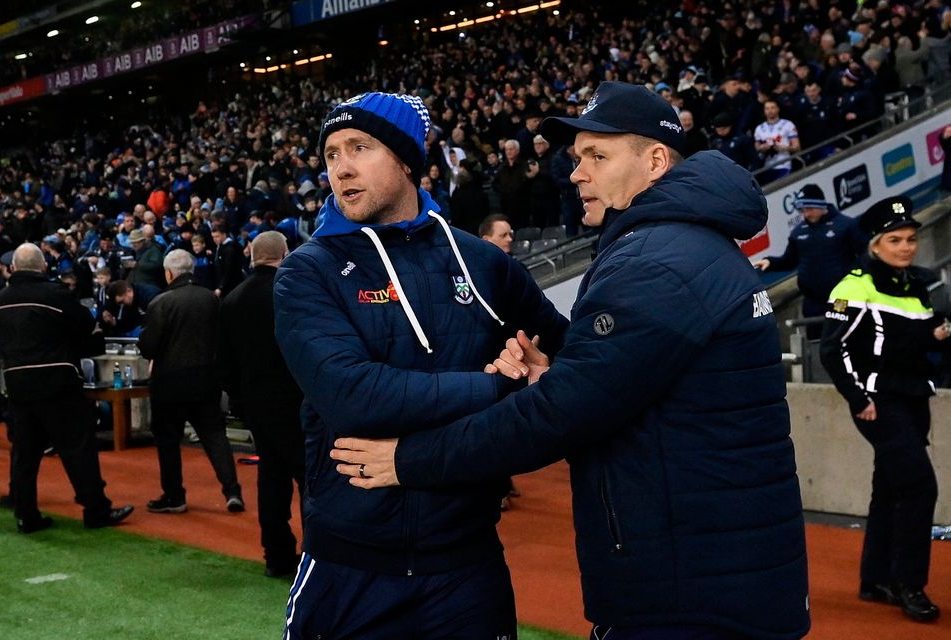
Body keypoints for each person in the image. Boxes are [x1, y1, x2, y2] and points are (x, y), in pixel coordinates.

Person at [330, 82, 811, 640]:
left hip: (688, 591)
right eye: (577, 158)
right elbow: (634, 397)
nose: (576, 174)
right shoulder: (681, 244)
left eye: (597, 157)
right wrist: (563, 378)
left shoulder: (657, 263)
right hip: (714, 569)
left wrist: (408, 460)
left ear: (656, 161)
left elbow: (556, 418)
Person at [273, 91, 568, 640]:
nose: (341, 166)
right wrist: (495, 391)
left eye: (359, 146)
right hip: (349, 566)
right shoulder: (307, 272)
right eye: (332, 153)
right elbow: (351, 396)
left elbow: (564, 351)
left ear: (407, 159)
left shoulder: (481, 263)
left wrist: (536, 372)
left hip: (466, 564)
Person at [820, 196, 949, 624]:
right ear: (875, 244)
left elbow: (918, 343)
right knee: (918, 488)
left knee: (891, 488)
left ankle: (874, 579)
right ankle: (908, 583)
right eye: (895, 239)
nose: (906, 246)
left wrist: (939, 334)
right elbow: (832, 350)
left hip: (915, 398)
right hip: (879, 402)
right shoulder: (852, 287)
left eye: (911, 239)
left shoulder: (921, 285)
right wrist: (859, 399)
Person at [0, 243, 133, 532]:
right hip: (57, 381)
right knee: (77, 448)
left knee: (24, 453)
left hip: (17, 383)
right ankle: (95, 510)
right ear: (43, 266)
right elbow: (87, 330)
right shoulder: (56, 295)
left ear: (14, 268)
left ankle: (25, 514)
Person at [218, 231, 305, 578]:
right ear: (285, 254)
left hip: (257, 406)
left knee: (271, 478)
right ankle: (317, 559)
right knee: (310, 481)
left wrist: (240, 399)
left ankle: (276, 555)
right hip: (297, 401)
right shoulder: (290, 292)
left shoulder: (232, 299)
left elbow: (224, 362)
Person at [137, 249, 244, 514]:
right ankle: (232, 492)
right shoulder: (211, 299)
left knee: (168, 442)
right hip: (206, 380)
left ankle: (175, 496)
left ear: (169, 272)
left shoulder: (161, 302)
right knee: (215, 438)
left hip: (169, 383)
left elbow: (149, 347)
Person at [753, 184, 865, 338]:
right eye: (802, 210)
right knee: (815, 342)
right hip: (812, 303)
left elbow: (865, 255)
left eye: (809, 209)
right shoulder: (798, 233)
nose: (806, 214)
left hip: (841, 298)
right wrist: (771, 262)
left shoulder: (846, 225)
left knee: (843, 336)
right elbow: (790, 261)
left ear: (820, 205)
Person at [754, 100, 801, 184]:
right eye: (767, 108)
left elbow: (797, 147)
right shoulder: (759, 128)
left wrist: (785, 148)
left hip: (784, 165)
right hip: (767, 167)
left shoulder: (788, 124)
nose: (770, 111)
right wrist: (762, 148)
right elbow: (757, 147)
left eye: (772, 108)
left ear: (778, 109)